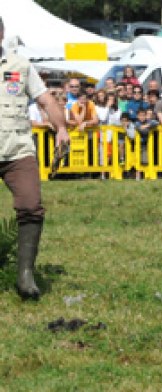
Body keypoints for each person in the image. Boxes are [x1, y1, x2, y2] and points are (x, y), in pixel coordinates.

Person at [0, 16, 69, 300]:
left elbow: (45, 100)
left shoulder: (20, 65)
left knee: (31, 205)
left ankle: (25, 275)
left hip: (17, 149)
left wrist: (62, 128)